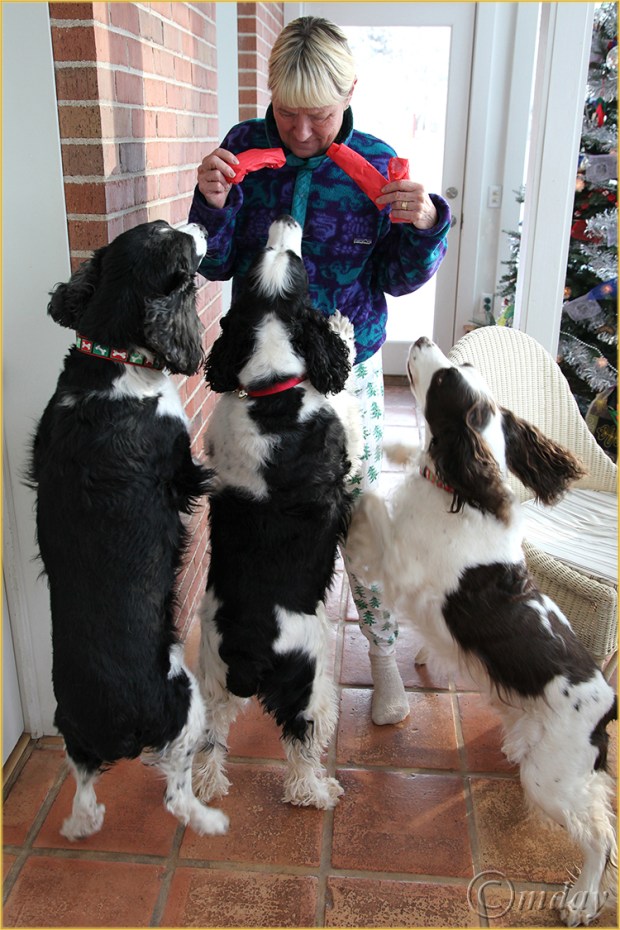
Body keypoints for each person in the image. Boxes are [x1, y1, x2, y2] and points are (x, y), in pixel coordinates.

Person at [189, 16, 451, 726]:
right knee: (254, 510)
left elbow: (397, 277)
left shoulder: (378, 162)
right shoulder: (243, 146)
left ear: (350, 93)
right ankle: (246, 644)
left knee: (357, 512)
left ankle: (382, 657)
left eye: (320, 116)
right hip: (260, 371)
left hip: (347, 372)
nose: (302, 132)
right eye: (287, 113)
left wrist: (425, 224)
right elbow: (215, 261)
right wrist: (210, 204)